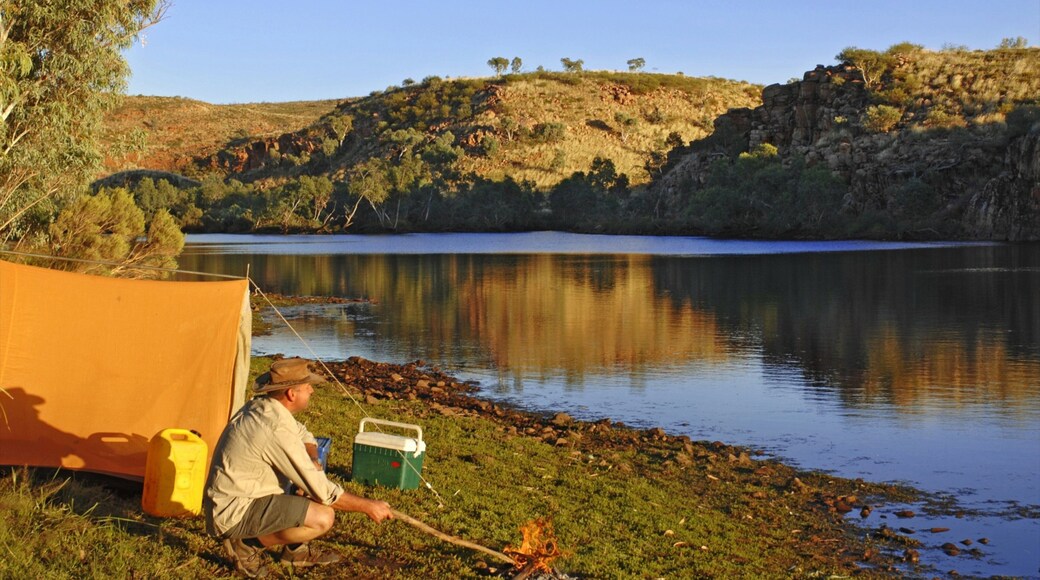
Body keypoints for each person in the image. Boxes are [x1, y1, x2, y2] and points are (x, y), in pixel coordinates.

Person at [204, 357, 393, 577]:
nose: (311, 390)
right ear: (291, 394)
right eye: (307, 386)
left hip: (245, 497)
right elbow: (324, 492)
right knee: (323, 517)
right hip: (234, 512)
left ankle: (295, 552)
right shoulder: (274, 428)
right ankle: (246, 544)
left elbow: (303, 433)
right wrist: (368, 506)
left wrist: (313, 459)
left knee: (304, 488)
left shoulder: (264, 407)